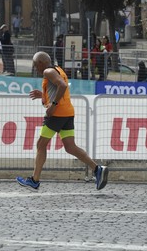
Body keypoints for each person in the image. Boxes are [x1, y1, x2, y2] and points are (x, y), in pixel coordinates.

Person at [16, 51, 109, 191]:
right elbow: (60, 89)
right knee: (70, 147)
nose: (36, 68)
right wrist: (43, 95)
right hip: (67, 113)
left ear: (41, 63)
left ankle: (34, 180)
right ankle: (97, 169)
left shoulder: (48, 71)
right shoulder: (58, 69)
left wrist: (53, 105)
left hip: (57, 114)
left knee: (41, 145)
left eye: (36, 65)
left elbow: (62, 86)